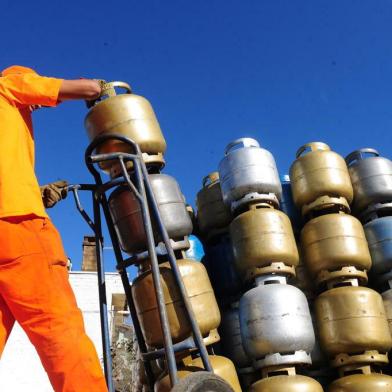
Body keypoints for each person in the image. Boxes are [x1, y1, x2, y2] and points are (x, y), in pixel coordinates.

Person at [0, 65, 108, 392]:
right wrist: (99, 87)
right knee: (59, 331)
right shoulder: (8, 86)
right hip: (21, 231)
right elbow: (72, 88)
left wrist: (39, 194)